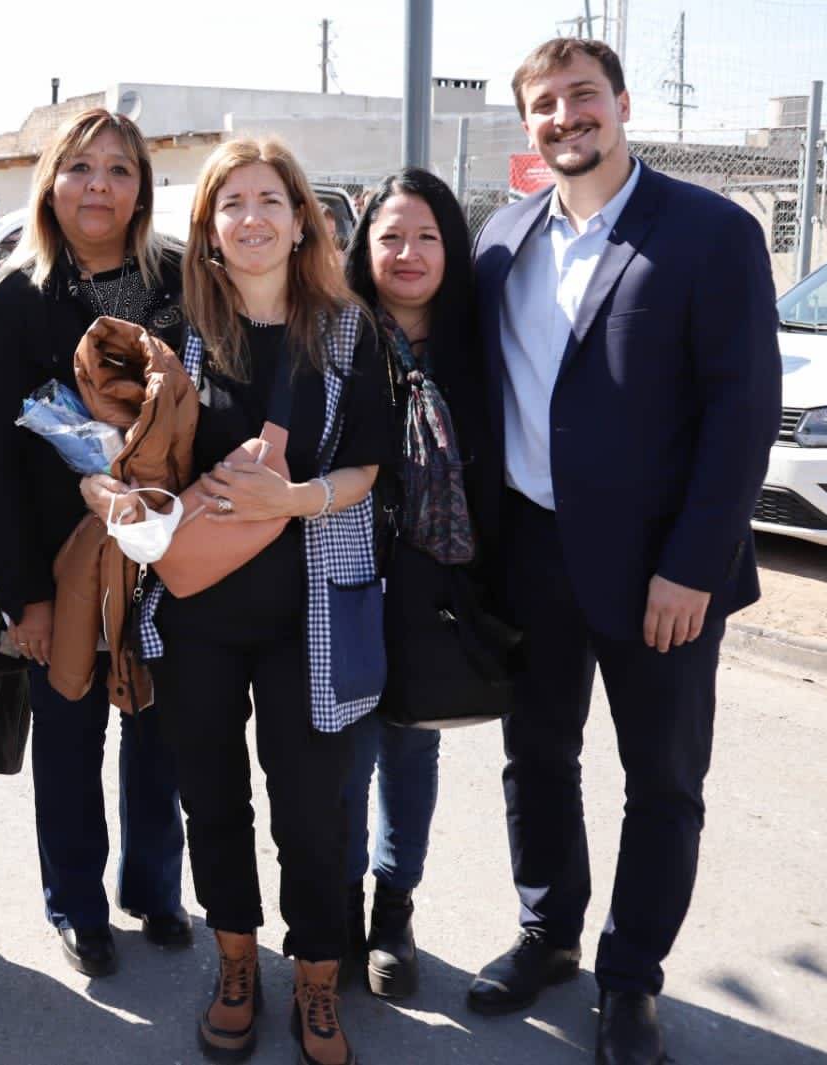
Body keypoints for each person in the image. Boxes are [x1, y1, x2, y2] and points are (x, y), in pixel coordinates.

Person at [465, 39, 780, 1065]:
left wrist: (693, 563)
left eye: (582, 97)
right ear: (526, 126)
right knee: (536, 760)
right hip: (533, 554)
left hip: (663, 573)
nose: (566, 117)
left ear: (622, 105)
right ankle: (548, 935)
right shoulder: (501, 240)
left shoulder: (709, 232)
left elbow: (742, 411)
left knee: (663, 782)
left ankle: (630, 976)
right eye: (545, 105)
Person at [108, 136, 392, 1065]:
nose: (253, 218)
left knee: (312, 809)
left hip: (310, 613)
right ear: (209, 230)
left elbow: (367, 465)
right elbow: (138, 450)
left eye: (271, 199)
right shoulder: (178, 329)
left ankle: (315, 974)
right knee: (212, 798)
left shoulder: (349, 328)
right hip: (196, 614)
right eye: (232, 204)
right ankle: (235, 961)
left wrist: (297, 498)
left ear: (303, 217)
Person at [0, 107, 189, 978]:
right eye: (81, 167)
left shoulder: (177, 282)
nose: (99, 185)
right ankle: (78, 904)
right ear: (51, 182)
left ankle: (156, 888)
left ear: (141, 188)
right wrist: (23, 592)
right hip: (59, 560)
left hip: (169, 555)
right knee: (68, 736)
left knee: (163, 730)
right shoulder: (19, 296)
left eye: (119, 169)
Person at [336, 167, 486, 1000]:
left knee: (412, 747)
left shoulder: (476, 341)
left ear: (451, 248)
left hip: (435, 583)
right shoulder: (338, 333)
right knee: (344, 757)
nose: (408, 251)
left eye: (427, 235)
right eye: (391, 234)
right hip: (348, 574)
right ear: (365, 246)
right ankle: (342, 900)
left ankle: (394, 909)